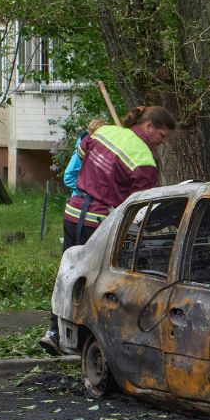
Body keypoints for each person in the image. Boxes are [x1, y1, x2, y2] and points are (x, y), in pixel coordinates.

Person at [41, 105, 176, 355]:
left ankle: (54, 332)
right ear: (148, 127)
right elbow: (140, 208)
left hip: (73, 212)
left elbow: (82, 153)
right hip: (99, 223)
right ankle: (95, 342)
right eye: (162, 136)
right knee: (100, 282)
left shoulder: (104, 133)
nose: (162, 142)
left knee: (68, 273)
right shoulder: (145, 160)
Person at [63, 118, 107, 195]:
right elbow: (69, 177)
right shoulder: (82, 152)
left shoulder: (98, 149)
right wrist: (88, 190)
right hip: (82, 201)